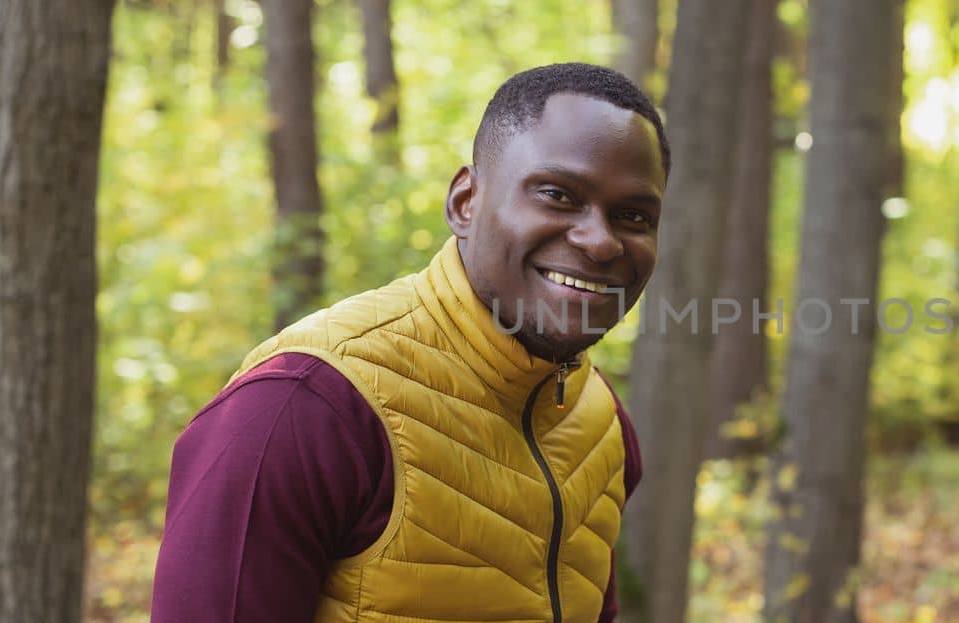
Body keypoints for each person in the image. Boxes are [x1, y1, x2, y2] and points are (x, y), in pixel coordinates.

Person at [151, 63, 669, 623]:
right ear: (465, 202)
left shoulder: (601, 423)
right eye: (557, 195)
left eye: (633, 215)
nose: (599, 240)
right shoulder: (303, 406)